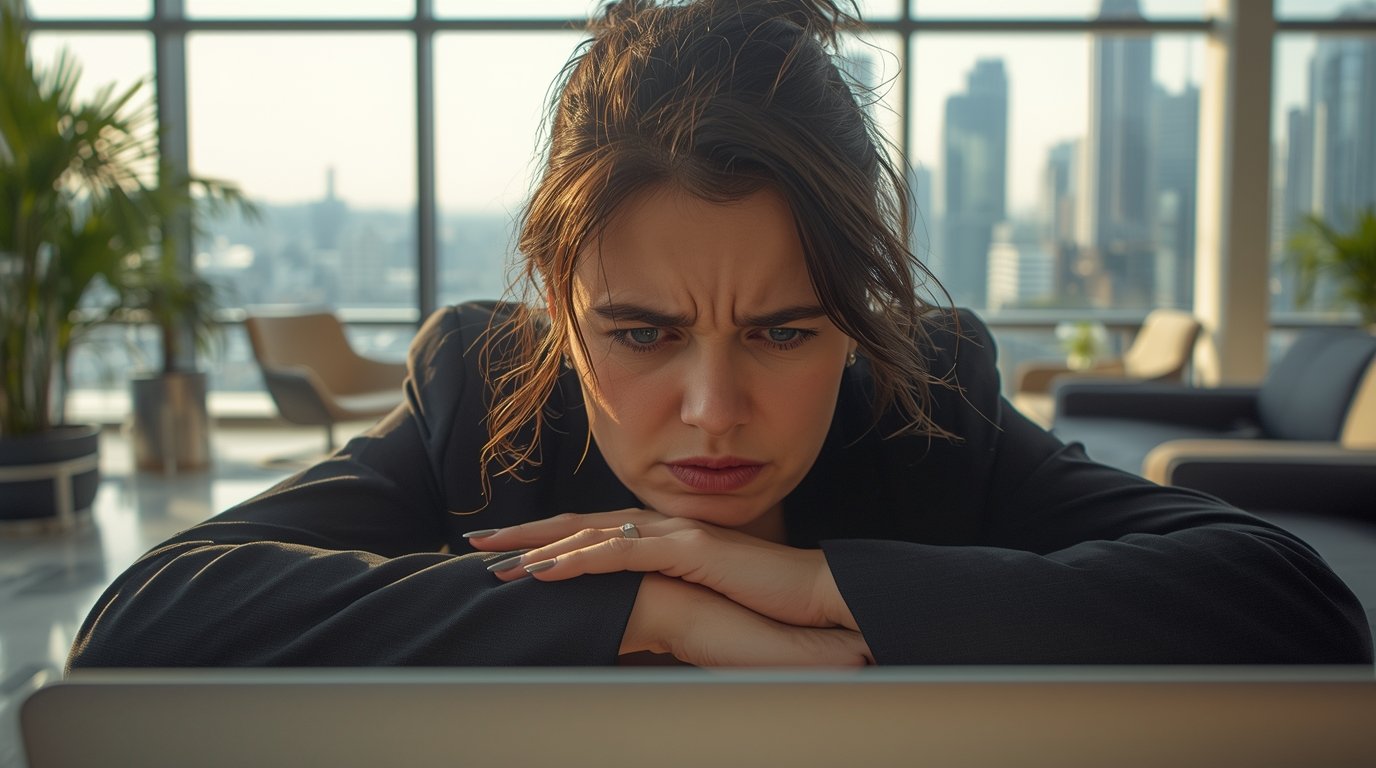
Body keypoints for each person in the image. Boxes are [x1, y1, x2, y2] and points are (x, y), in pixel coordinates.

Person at [68, 0, 1370, 668]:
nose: (712, 408)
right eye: (637, 332)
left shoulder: (931, 402)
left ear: (859, 321)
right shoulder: (486, 397)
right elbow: (144, 615)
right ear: (561, 306)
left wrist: (809, 585)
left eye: (788, 331)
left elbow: (1298, 605)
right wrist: (651, 609)